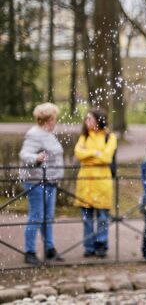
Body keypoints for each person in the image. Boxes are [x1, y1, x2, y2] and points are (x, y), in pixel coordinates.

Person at [19, 103, 64, 265]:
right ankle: (29, 251)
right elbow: (24, 154)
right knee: (36, 216)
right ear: (49, 119)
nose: (56, 121)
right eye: (54, 118)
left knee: (48, 217)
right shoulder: (35, 134)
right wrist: (36, 159)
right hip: (36, 182)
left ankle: (49, 249)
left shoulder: (48, 134)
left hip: (50, 181)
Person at [74, 108, 117, 258]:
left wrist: (89, 156)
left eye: (90, 119)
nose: (87, 122)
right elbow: (78, 153)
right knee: (86, 217)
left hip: (101, 182)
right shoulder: (84, 137)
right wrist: (94, 153)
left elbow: (106, 158)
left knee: (103, 216)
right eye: (86, 119)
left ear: (99, 120)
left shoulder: (109, 137)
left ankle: (101, 244)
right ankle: (88, 245)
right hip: (86, 182)